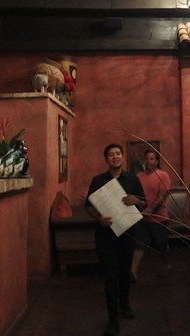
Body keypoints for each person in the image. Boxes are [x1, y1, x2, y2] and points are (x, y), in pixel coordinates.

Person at [85, 143, 145, 336]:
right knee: (110, 276)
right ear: (106, 159)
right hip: (106, 236)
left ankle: (124, 305)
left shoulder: (133, 179)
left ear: (122, 156)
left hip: (127, 233)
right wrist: (99, 219)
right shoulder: (98, 180)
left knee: (125, 273)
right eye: (111, 154)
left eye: (118, 153)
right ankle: (112, 320)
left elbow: (144, 203)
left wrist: (137, 201)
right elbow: (88, 206)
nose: (115, 157)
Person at [130, 149, 171, 281]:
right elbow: (135, 194)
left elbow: (162, 195)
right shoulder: (138, 176)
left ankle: (166, 264)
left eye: (151, 159)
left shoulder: (163, 175)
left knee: (161, 245)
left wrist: (150, 209)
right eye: (147, 159)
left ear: (157, 161)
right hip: (142, 217)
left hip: (159, 218)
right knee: (139, 244)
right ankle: (133, 272)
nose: (148, 161)